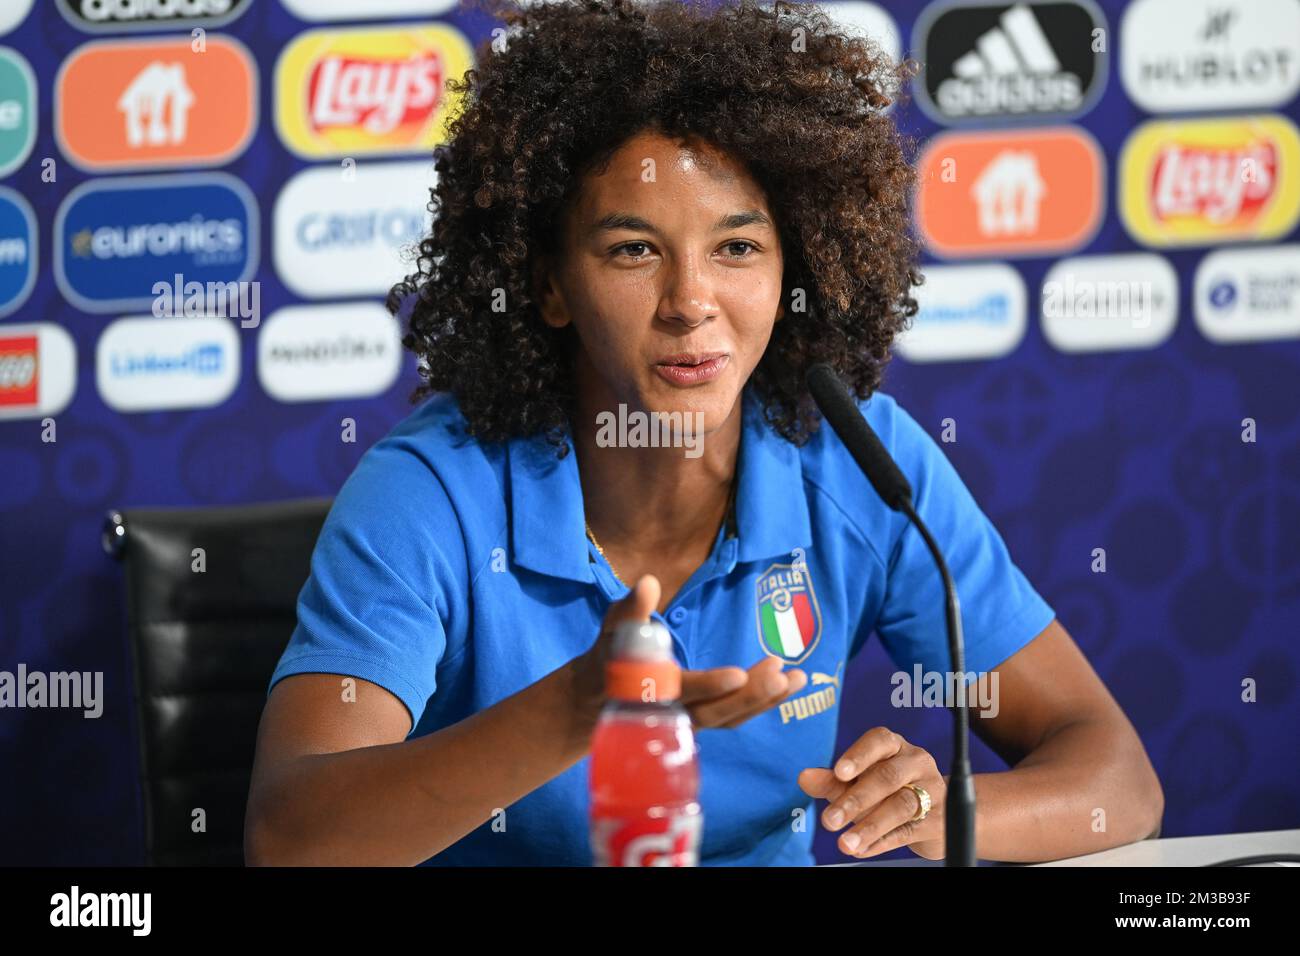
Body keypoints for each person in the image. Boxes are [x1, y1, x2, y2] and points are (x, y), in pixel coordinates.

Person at [245, 0, 1163, 866]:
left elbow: (1116, 775)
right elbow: (290, 839)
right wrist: (581, 704)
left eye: (737, 248)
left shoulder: (853, 459)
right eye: (633, 250)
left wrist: (936, 808)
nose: (693, 305)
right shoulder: (433, 491)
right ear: (550, 285)